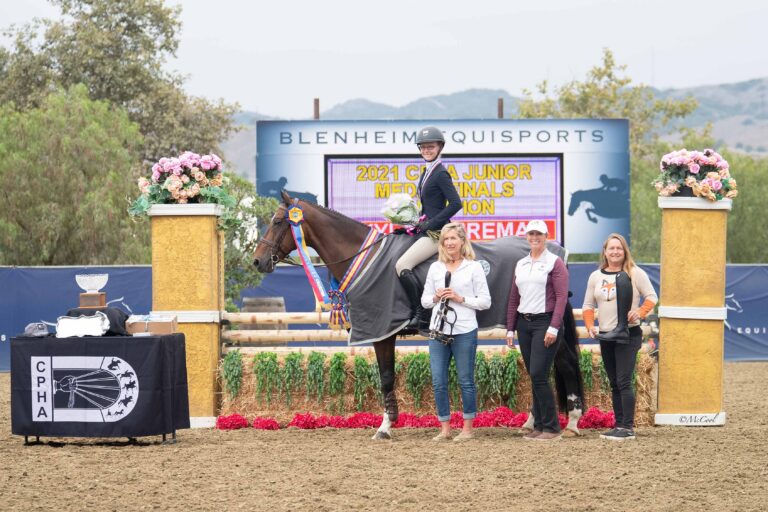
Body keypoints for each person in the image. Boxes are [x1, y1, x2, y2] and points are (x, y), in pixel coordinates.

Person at [582, 233, 657, 441]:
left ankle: (627, 427)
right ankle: (619, 425)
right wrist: (590, 326)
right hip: (606, 335)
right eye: (611, 248)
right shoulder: (595, 276)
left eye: (619, 248)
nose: (615, 252)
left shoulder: (635, 273)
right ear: (605, 252)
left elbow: (652, 296)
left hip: (628, 333)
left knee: (624, 380)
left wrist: (640, 312)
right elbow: (588, 305)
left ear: (625, 252)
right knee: (614, 382)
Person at [421, 223, 491, 441]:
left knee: (465, 380)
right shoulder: (435, 268)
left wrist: (460, 298)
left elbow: (485, 301)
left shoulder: (473, 267)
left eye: (453, 238)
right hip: (438, 331)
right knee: (438, 381)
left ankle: (468, 429)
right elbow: (424, 301)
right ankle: (445, 428)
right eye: (445, 239)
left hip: (464, 331)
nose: (449, 243)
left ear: (462, 241)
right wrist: (435, 297)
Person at [506, 220, 569, 441]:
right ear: (527, 236)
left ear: (546, 236)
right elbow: (514, 297)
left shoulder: (555, 262)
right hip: (525, 323)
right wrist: (510, 328)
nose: (535, 237)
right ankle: (540, 425)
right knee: (535, 375)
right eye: (531, 234)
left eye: (539, 234)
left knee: (538, 374)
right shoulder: (521, 263)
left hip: (545, 322)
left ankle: (552, 428)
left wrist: (554, 326)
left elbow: (562, 297)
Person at [395, 126, 462, 331]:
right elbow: (428, 207)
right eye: (423, 147)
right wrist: (413, 225)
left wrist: (431, 224)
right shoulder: (426, 171)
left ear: (439, 147)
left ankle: (420, 314)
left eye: (430, 147)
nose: (426, 150)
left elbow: (456, 203)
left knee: (402, 265)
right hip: (426, 228)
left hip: (437, 233)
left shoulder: (441, 173)